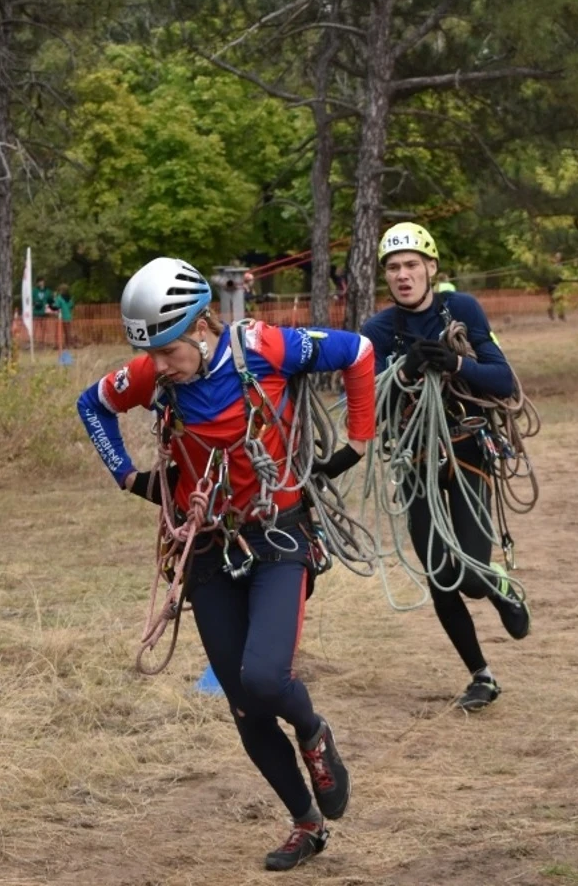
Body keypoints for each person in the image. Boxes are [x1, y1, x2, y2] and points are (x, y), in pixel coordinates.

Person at [76, 257, 377, 872]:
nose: (158, 367)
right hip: (208, 548)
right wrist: (131, 477)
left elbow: (360, 351)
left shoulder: (263, 348)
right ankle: (305, 823)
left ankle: (315, 734)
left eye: (168, 351)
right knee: (244, 704)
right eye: (150, 354)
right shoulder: (154, 377)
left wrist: (356, 442)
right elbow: (92, 405)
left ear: (201, 325)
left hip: (279, 538)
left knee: (268, 679)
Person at [360, 223, 530, 713]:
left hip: (467, 452)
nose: (403, 274)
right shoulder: (377, 333)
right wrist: (404, 373)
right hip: (416, 461)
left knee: (471, 575)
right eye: (393, 267)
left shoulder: (463, 311)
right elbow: (366, 404)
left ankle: (496, 583)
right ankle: (481, 675)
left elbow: (502, 379)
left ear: (431, 268)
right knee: (440, 575)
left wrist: (455, 365)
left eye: (412, 264)